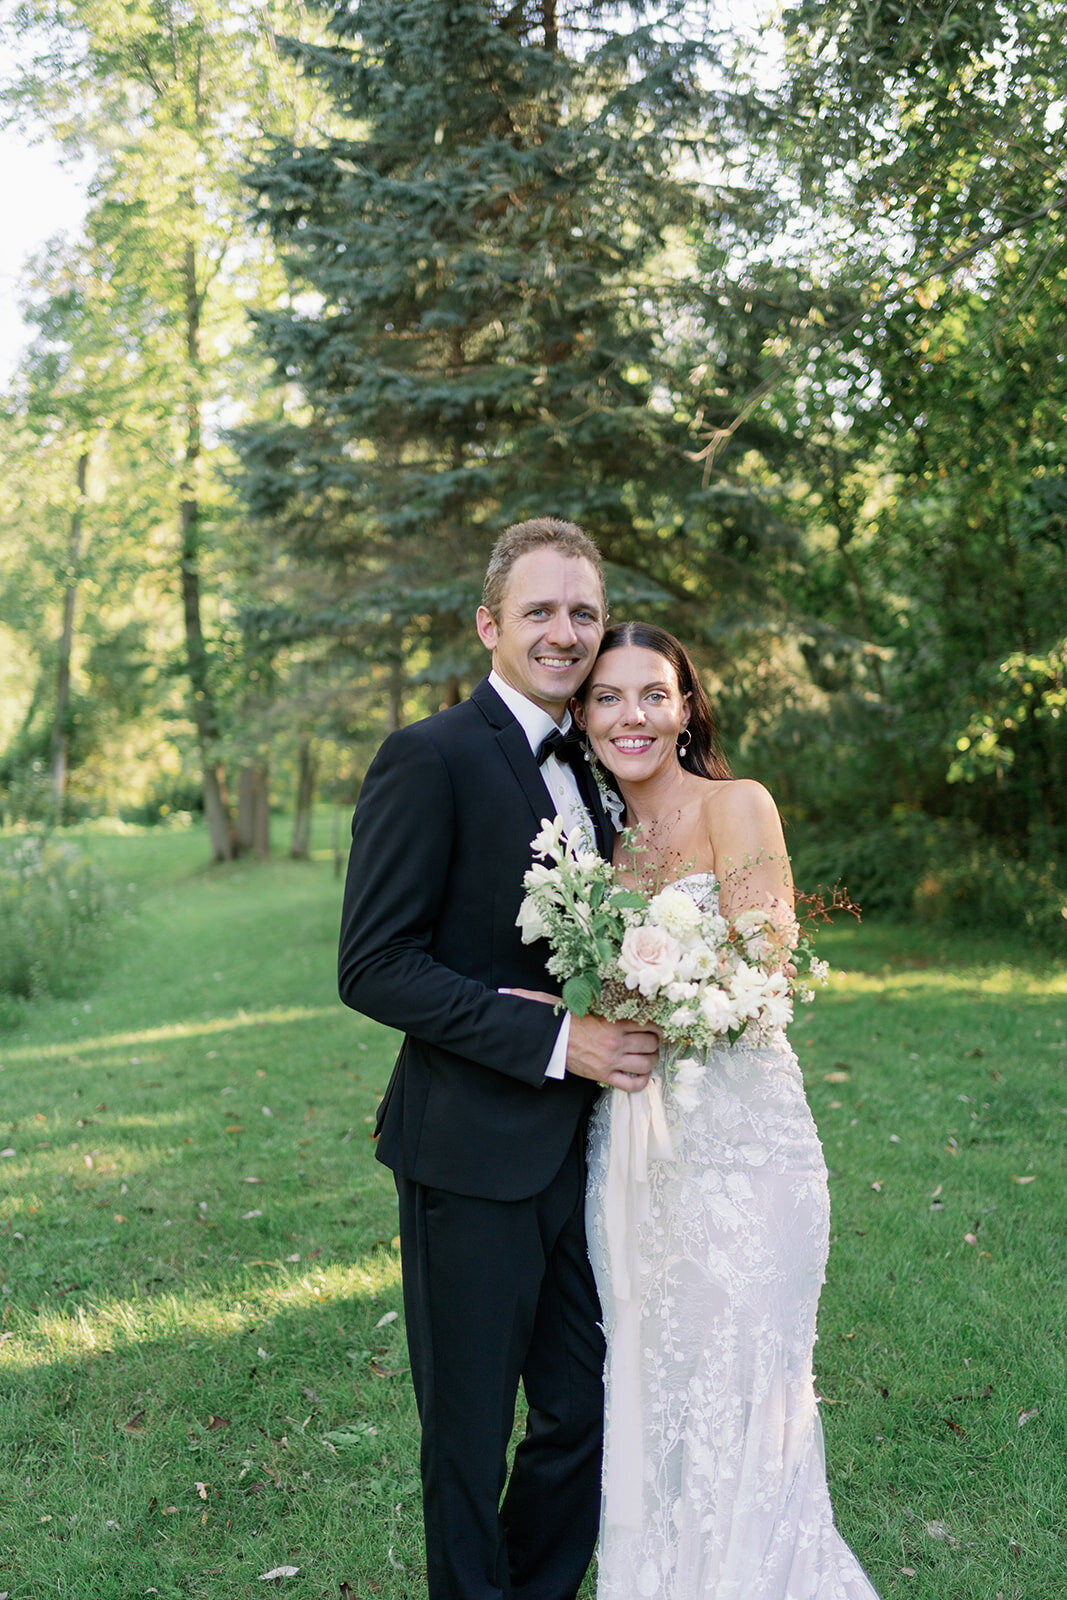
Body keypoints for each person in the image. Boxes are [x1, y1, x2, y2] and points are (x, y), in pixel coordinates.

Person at [337, 521, 661, 1600]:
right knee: (469, 1443)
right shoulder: (428, 756)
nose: (565, 634)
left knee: (582, 1410)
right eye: (539, 611)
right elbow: (374, 964)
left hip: (589, 1153)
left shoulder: (606, 761)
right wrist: (558, 1037)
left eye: (582, 613)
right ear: (489, 624)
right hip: (466, 1156)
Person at [572, 620, 880, 1600]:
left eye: (651, 693)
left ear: (685, 706)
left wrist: (657, 984)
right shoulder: (580, 840)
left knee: (752, 1367)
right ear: (580, 714)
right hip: (633, 1144)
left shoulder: (736, 804)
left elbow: (765, 966)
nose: (631, 714)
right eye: (606, 695)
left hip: (749, 1137)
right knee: (652, 1374)